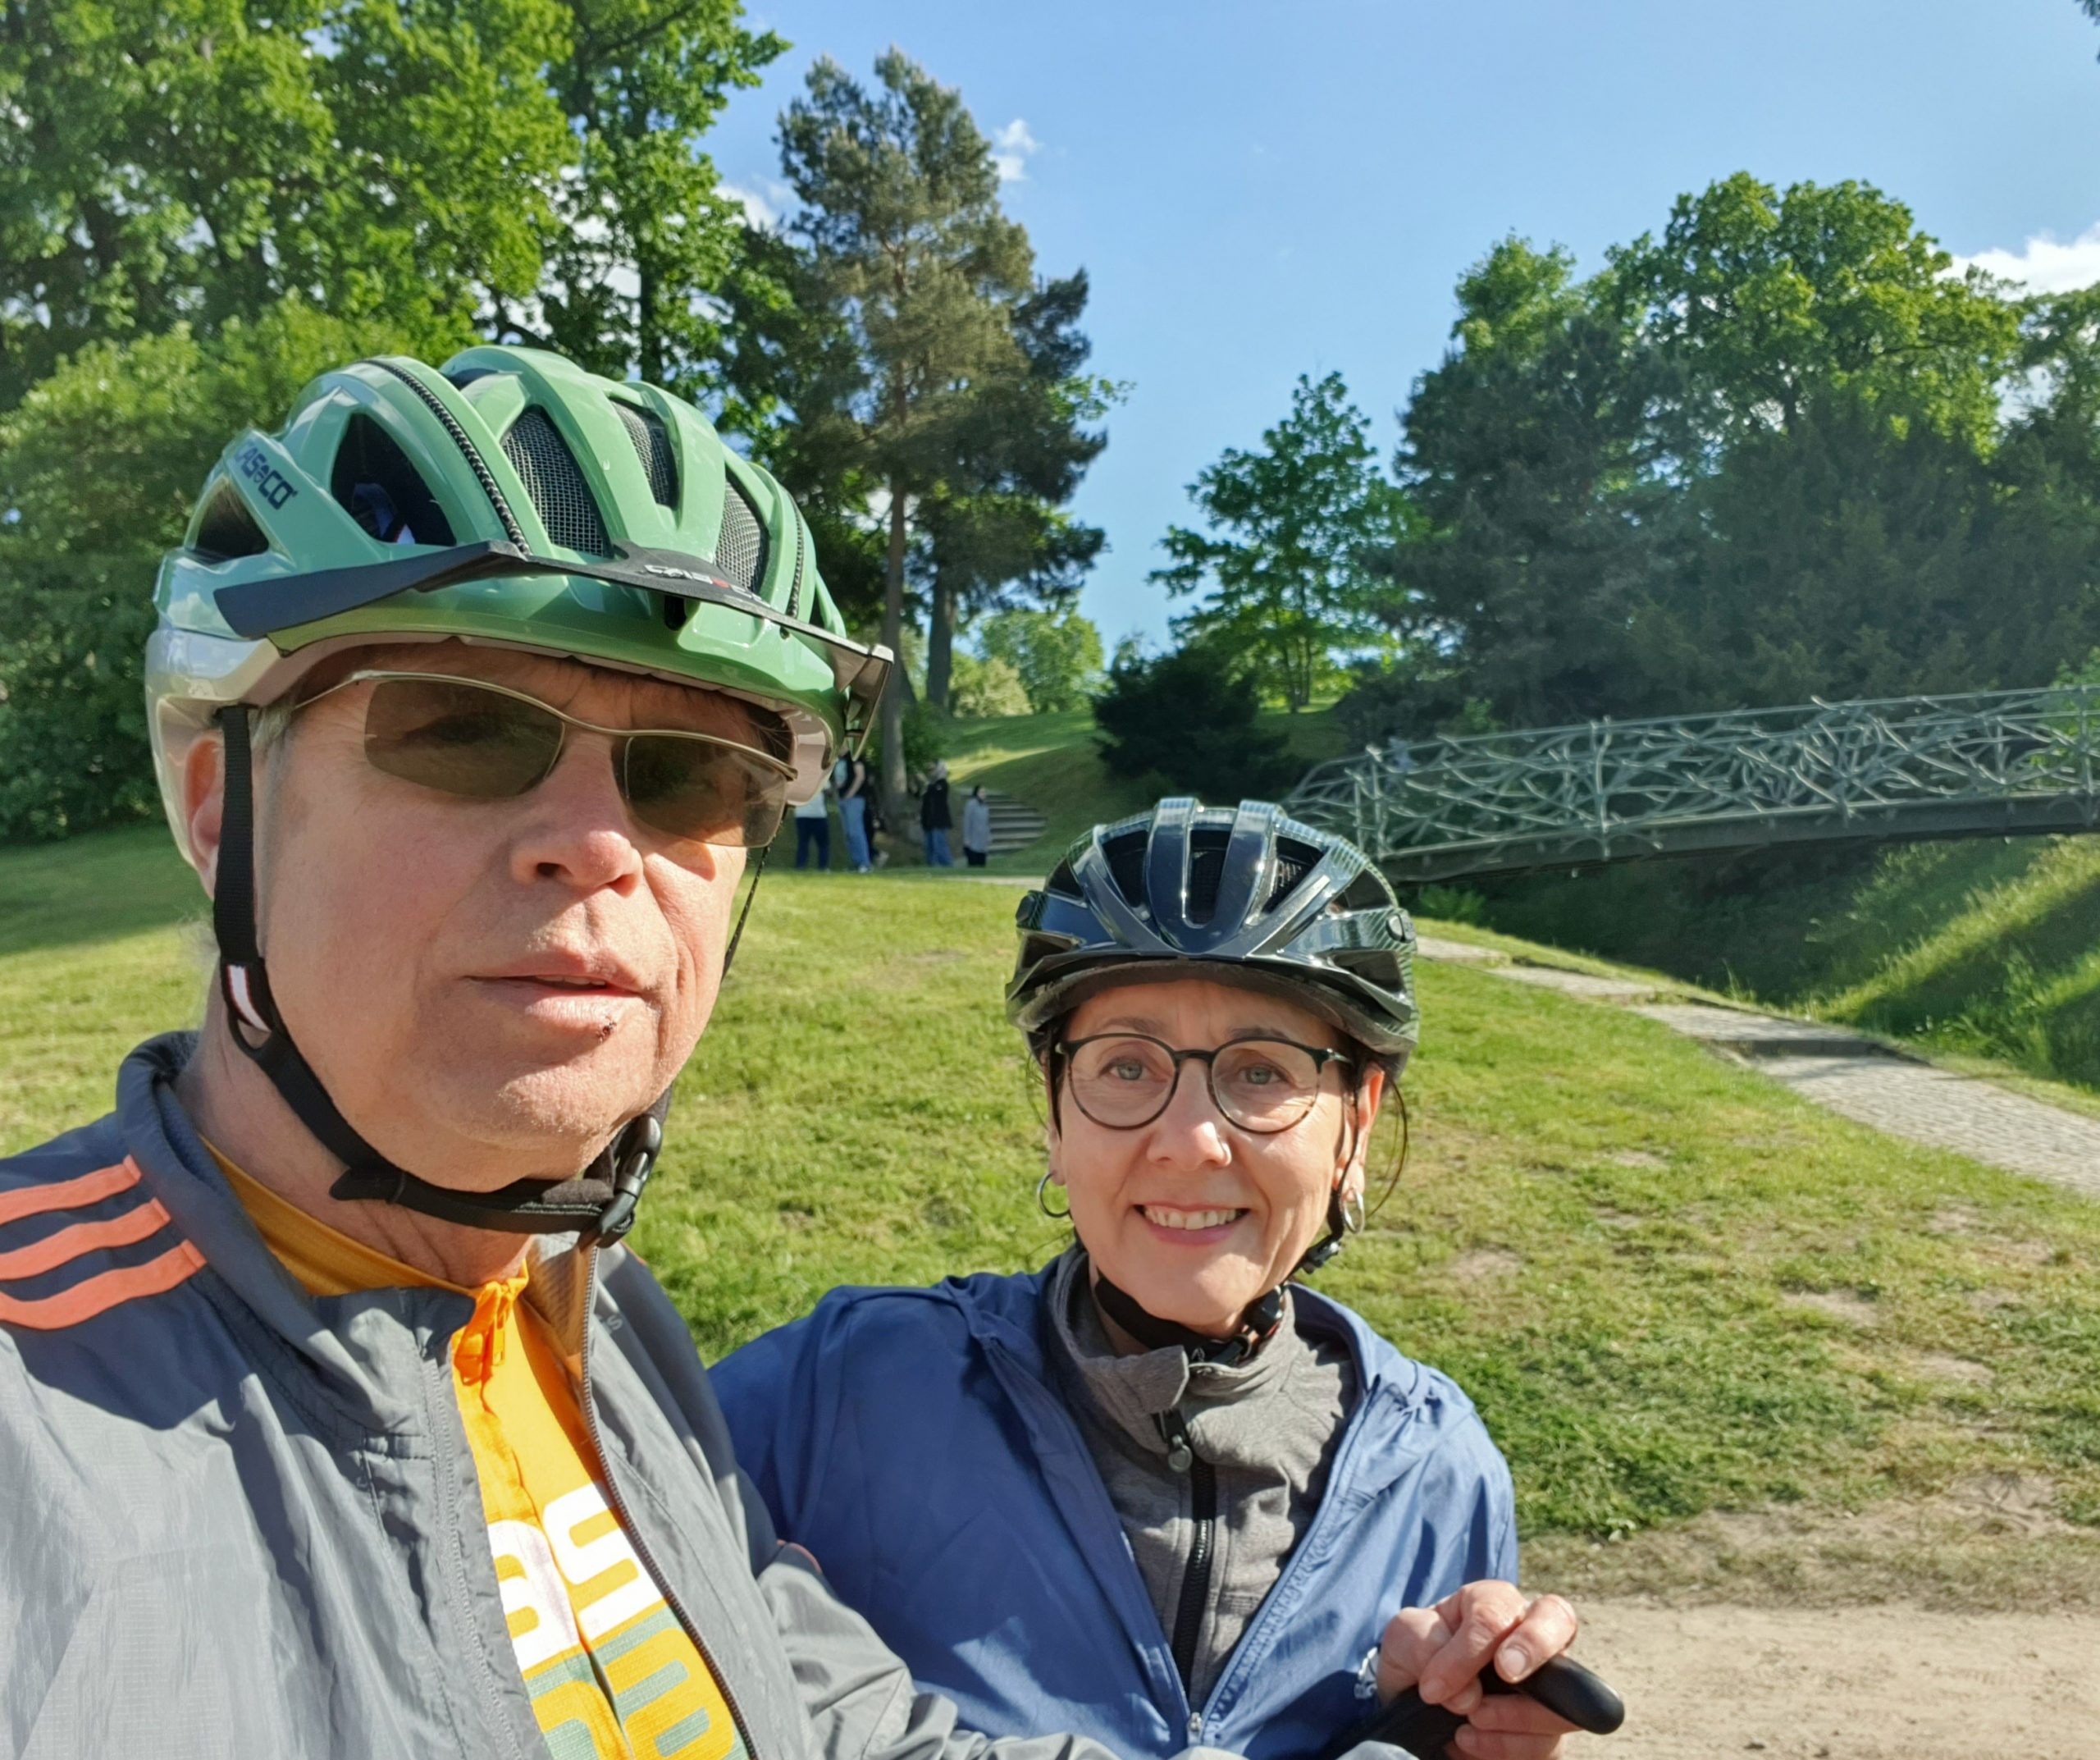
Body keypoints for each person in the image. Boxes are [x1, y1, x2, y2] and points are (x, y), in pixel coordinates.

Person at [0, 344, 1348, 1760]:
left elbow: (844, 1734)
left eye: (691, 773)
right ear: (223, 803)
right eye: (462, 729)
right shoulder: (39, 1413)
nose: (596, 845)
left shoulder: (598, 1317)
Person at [715, 798, 1586, 1760]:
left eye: (1261, 1072)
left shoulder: (1435, 1470)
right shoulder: (833, 1392)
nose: (1189, 1141)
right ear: (1054, 1112)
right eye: (1126, 1066)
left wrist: (1415, 1729)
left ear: (1357, 1124)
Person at [839, 749, 873, 871]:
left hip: (855, 799)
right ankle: (856, 863)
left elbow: (860, 776)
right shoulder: (839, 759)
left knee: (855, 831)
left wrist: (850, 794)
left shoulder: (855, 756)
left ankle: (864, 863)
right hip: (842, 799)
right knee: (848, 833)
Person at [794, 768, 833, 870]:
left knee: (804, 842)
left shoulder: (799, 777)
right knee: (822, 843)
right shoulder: (821, 776)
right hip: (817, 814)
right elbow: (829, 793)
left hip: (804, 814)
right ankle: (822, 866)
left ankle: (801, 865)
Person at [921, 759, 955, 866]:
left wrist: (927, 783)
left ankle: (949, 867)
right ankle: (934, 870)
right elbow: (925, 802)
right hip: (929, 823)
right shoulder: (930, 786)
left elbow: (936, 791)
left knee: (940, 846)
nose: (931, 772)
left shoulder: (943, 785)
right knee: (930, 848)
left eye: (933, 769)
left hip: (939, 822)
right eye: (929, 770)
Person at [963, 784, 993, 866]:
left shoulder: (985, 807)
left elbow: (987, 823)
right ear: (976, 793)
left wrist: (989, 836)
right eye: (981, 792)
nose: (983, 794)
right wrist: (966, 838)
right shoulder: (971, 805)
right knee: (973, 864)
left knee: (982, 864)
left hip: (983, 841)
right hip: (973, 840)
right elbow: (967, 822)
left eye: (984, 792)